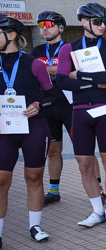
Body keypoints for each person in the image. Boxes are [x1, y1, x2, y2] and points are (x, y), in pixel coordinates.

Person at [55, 2, 106, 228]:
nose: (103, 25)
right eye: (98, 21)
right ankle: (97, 211)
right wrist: (95, 82)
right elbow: (61, 80)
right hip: (80, 112)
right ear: (84, 22)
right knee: (84, 165)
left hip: (105, 110)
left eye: (105, 21)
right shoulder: (69, 49)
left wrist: (80, 76)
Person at [0, 14, 56, 249]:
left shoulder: (33, 63)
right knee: (1, 180)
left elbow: (52, 95)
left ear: (11, 35)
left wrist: (38, 106)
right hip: (4, 130)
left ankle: (35, 226)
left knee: (33, 177)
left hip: (34, 127)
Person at [31, 11, 81, 206]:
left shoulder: (70, 49)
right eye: (41, 25)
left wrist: (47, 70)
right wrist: (59, 70)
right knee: (53, 151)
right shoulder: (37, 51)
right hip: (47, 106)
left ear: (60, 28)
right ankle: (54, 192)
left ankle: (99, 189)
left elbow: (75, 73)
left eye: (49, 24)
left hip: (69, 106)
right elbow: (33, 73)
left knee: (82, 152)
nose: (44, 28)